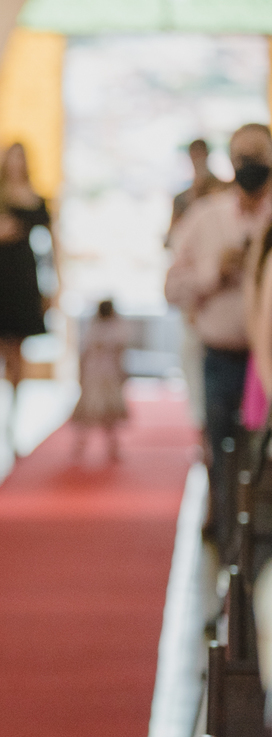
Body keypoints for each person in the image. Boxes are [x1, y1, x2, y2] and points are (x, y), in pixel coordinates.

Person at [166, 123, 272, 549]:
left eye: (258, 156)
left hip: (265, 359)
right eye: (242, 156)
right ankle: (229, 539)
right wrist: (215, 273)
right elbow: (172, 287)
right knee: (222, 453)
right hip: (223, 356)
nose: (250, 165)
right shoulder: (206, 216)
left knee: (260, 460)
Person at [0, 142, 53, 396]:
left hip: (23, 278)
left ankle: (12, 415)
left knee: (16, 349)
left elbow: (49, 245)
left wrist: (53, 288)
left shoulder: (37, 199)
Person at [70, 300, 129, 461]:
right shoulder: (115, 330)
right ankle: (110, 449)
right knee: (106, 416)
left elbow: (84, 355)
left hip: (95, 375)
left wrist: (81, 374)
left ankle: (82, 447)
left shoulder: (93, 329)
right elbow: (119, 355)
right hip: (105, 375)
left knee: (92, 414)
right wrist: (122, 373)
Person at [169, 138, 225, 240]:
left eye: (200, 154)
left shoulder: (224, 191)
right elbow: (172, 236)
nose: (198, 159)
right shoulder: (181, 199)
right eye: (195, 155)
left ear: (207, 155)